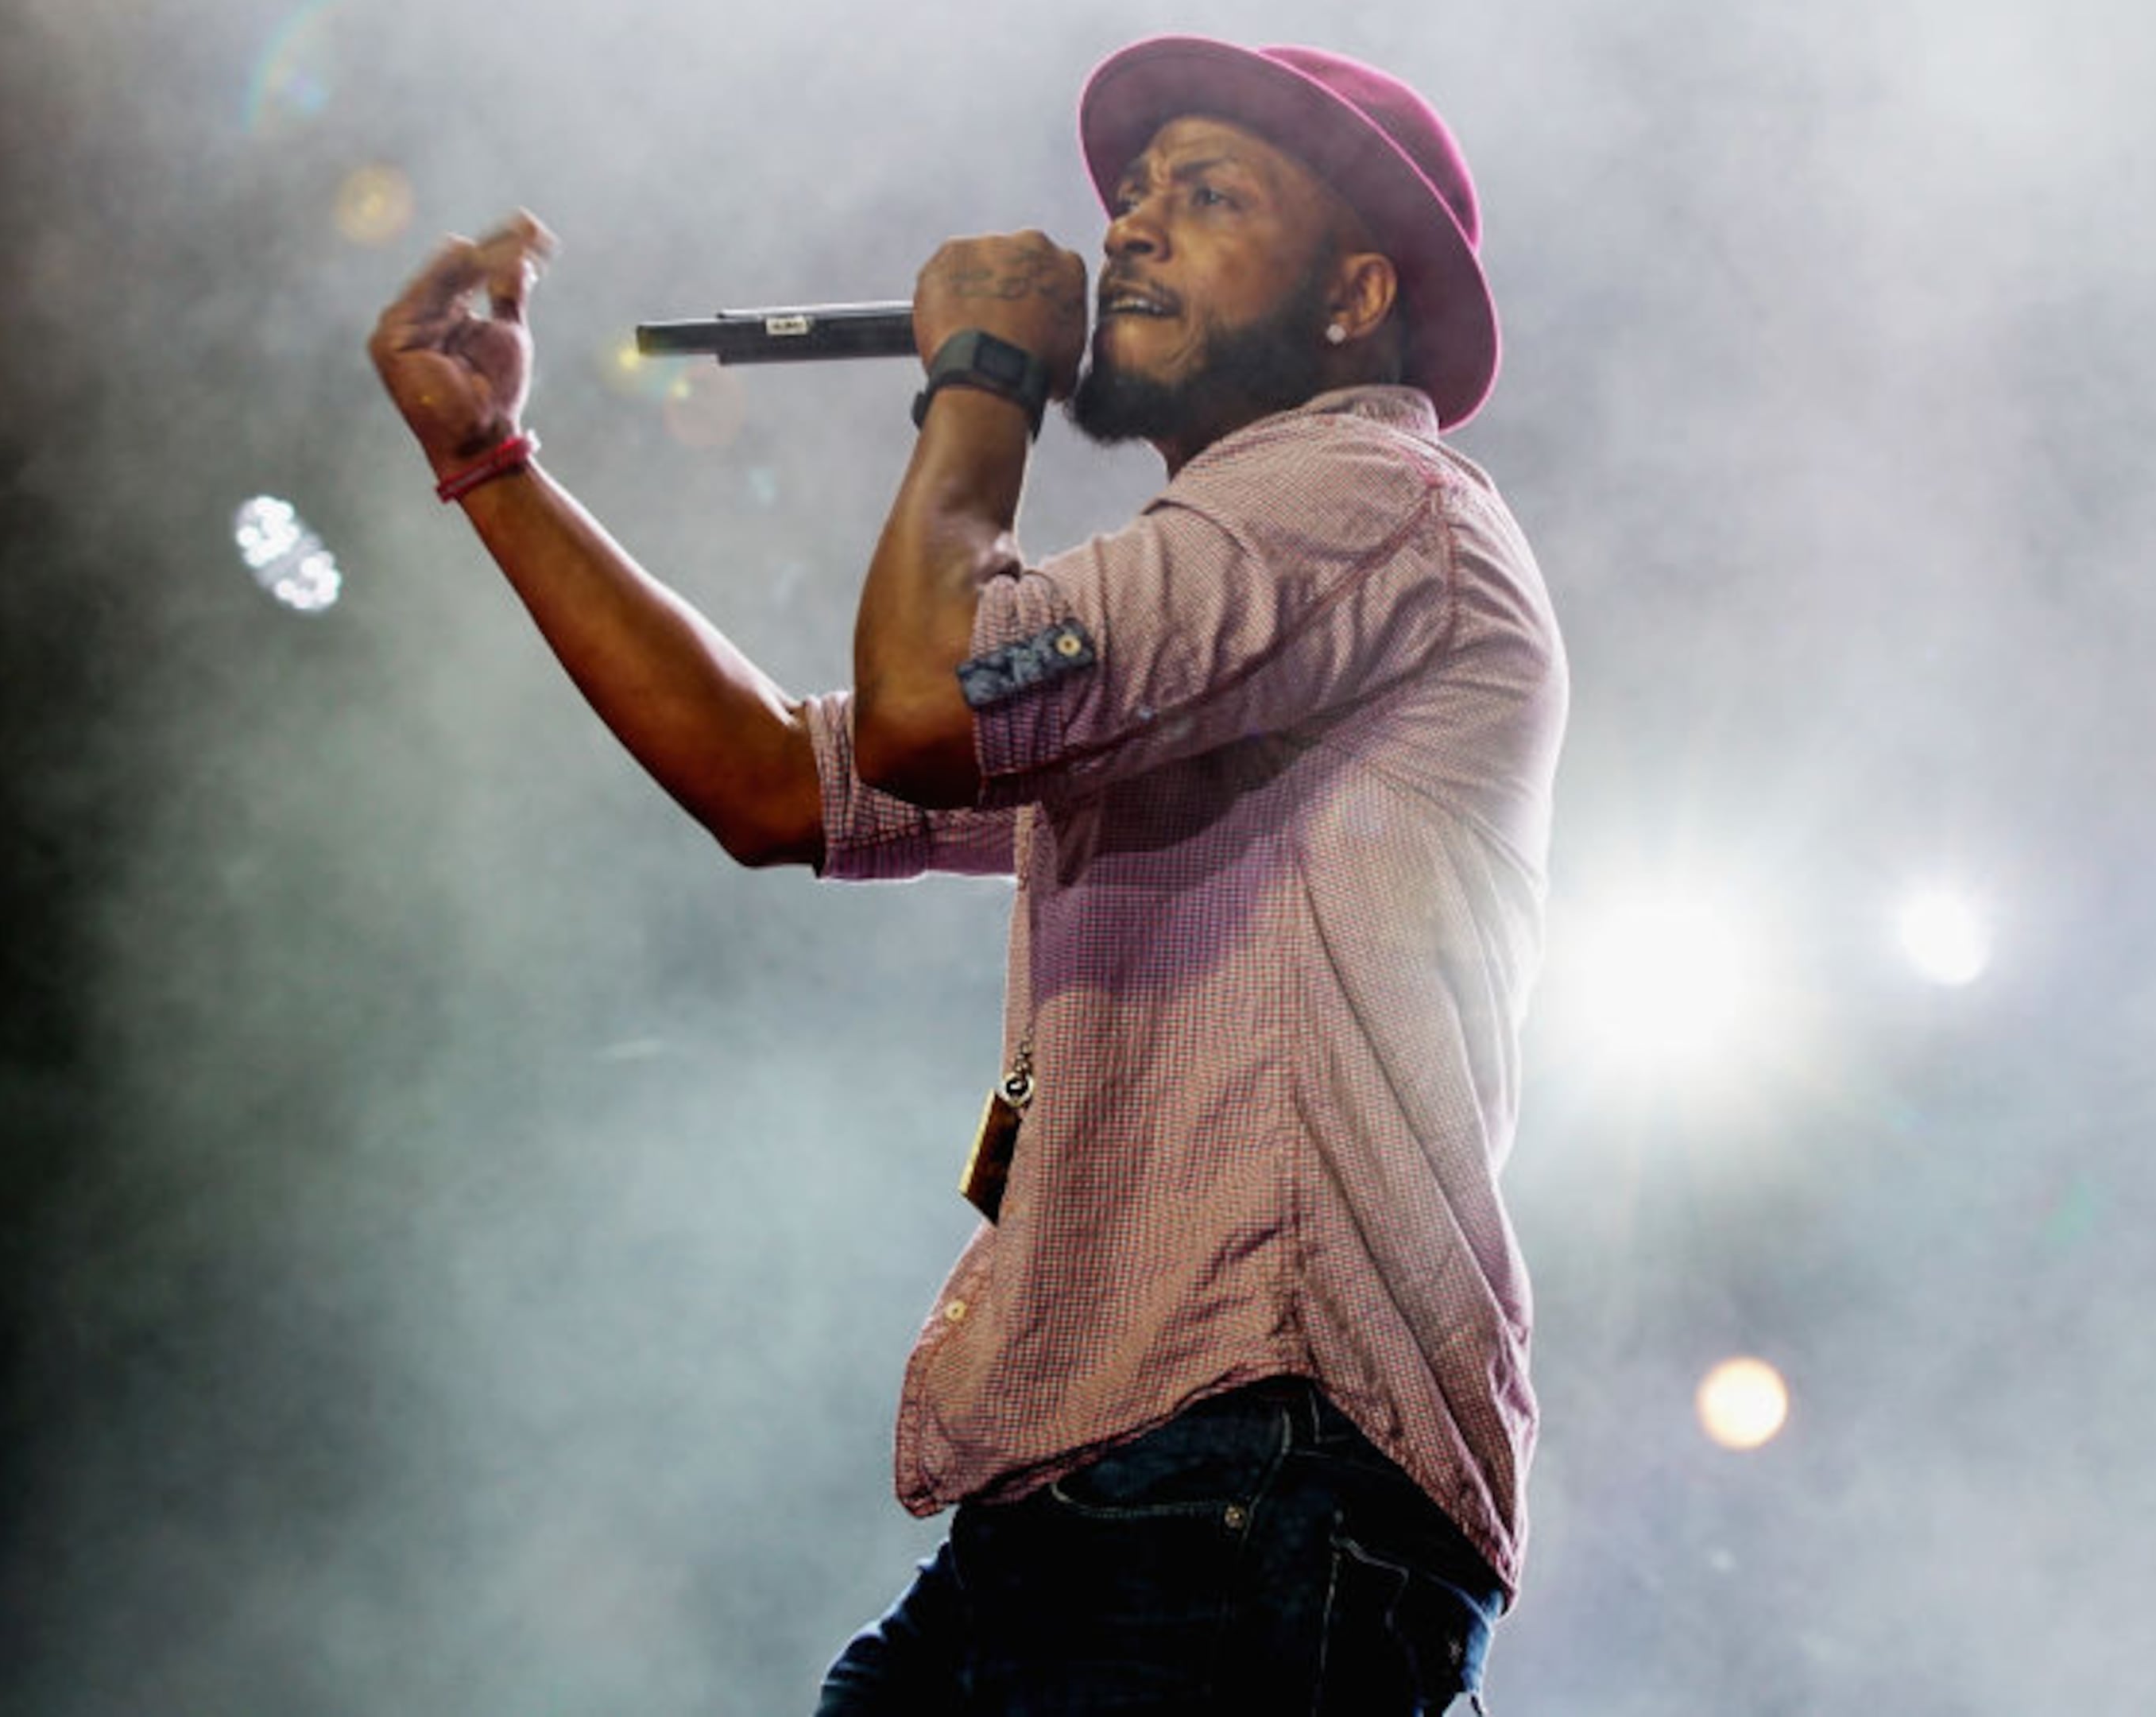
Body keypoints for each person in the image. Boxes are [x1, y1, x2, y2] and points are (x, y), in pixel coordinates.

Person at [370, 35, 1565, 1715]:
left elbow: (933, 706)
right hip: (1101, 1496)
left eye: (1206, 196)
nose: (1129, 232)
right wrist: (492, 463)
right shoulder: (1211, 605)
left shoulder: (1366, 497)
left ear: (1357, 291)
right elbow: (778, 779)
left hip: (1247, 1477)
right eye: (1132, 197)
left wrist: (986, 378)